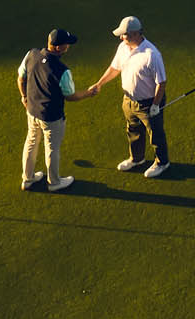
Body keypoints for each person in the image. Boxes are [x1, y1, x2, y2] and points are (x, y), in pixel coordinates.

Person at [17, 28, 98, 191]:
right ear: (58, 47)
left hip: (31, 111)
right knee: (52, 148)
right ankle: (54, 182)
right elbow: (70, 96)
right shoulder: (62, 70)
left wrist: (24, 97)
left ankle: (27, 179)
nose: (68, 47)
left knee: (31, 142)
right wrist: (89, 93)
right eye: (67, 44)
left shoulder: (31, 54)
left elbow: (21, 77)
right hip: (52, 117)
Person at [92, 15, 172, 178]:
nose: (121, 37)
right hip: (128, 100)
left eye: (125, 34)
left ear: (136, 34)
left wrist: (156, 105)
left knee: (155, 133)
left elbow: (161, 82)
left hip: (149, 103)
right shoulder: (123, 47)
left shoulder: (152, 54)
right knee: (133, 130)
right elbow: (115, 68)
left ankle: (162, 162)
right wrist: (99, 83)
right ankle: (137, 159)